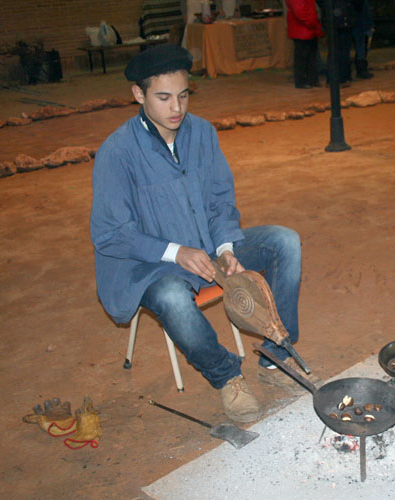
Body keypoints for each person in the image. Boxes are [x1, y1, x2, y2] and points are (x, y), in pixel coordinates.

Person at [90, 45, 314, 423]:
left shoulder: (202, 133)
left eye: (183, 95)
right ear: (138, 95)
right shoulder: (118, 152)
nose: (176, 108)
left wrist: (225, 247)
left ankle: (278, 359)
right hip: (149, 266)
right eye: (163, 98)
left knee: (283, 241)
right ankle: (227, 377)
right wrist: (175, 252)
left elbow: (220, 201)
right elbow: (110, 234)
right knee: (174, 298)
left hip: (205, 248)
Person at [286, 0, 324, 89]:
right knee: (303, 57)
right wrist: (312, 22)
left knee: (310, 56)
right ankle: (302, 81)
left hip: (308, 27)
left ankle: (312, 79)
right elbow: (300, 12)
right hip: (303, 28)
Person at [351, 0, 374, 79]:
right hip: (360, 23)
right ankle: (361, 69)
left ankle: (360, 68)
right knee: (361, 47)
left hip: (357, 22)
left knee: (361, 46)